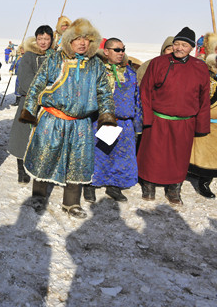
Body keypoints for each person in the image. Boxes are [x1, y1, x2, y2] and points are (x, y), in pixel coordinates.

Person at [19, 18, 116, 218]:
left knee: (77, 162)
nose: (82, 43)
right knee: (45, 156)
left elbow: (104, 93)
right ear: (69, 40)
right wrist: (29, 110)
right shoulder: (55, 59)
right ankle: (38, 196)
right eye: (78, 39)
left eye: (86, 39)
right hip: (53, 118)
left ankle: (71, 203)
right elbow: (37, 85)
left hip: (80, 123)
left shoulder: (96, 64)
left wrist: (106, 116)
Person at [138, 27, 210, 205]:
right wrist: (146, 118)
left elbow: (203, 98)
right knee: (152, 154)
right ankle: (148, 185)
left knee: (179, 157)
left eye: (184, 45)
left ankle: (174, 189)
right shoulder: (158, 63)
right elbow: (145, 91)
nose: (179, 48)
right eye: (176, 44)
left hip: (185, 122)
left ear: (191, 48)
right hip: (158, 119)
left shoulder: (200, 67)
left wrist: (201, 126)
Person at [83, 38, 142, 203]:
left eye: (123, 49)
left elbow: (137, 99)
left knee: (120, 156)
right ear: (106, 51)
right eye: (117, 50)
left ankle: (114, 186)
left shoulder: (130, 72)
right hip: (100, 120)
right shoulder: (96, 71)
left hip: (124, 122)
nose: (121, 53)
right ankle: (91, 185)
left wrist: (137, 123)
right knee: (97, 154)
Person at [8, 25, 55, 184]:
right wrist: (47, 92)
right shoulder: (28, 56)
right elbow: (27, 80)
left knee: (44, 139)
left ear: (51, 40)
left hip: (50, 106)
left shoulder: (55, 56)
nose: (43, 42)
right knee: (23, 138)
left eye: (46, 39)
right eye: (40, 38)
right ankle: (22, 170)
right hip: (29, 103)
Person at [189, 32, 217, 198]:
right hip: (205, 120)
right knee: (200, 154)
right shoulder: (202, 72)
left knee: (213, 156)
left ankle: (205, 180)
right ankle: (199, 177)